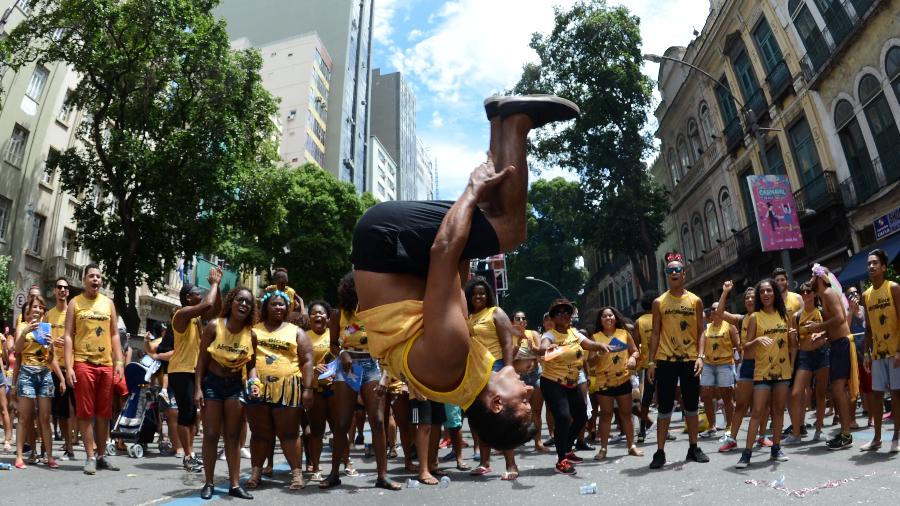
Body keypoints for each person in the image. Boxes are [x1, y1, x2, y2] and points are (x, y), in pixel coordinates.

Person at [351, 95, 578, 452]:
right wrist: (478, 204)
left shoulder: (450, 362)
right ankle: (501, 121)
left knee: (511, 231)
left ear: (496, 404)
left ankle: (516, 120)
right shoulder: (464, 377)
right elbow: (456, 273)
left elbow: (443, 254)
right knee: (494, 219)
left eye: (524, 403)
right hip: (397, 256)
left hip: (386, 243)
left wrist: (472, 189)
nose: (530, 391)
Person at [322, 273, 400, 490]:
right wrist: (342, 354)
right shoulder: (338, 315)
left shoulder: (377, 313)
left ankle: (382, 476)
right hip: (347, 368)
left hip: (372, 366)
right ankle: (334, 473)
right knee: (342, 423)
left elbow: (388, 346)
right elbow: (333, 345)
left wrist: (386, 376)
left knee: (377, 420)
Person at [244, 290, 314, 490]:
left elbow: (308, 360)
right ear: (266, 307)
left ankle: (297, 474)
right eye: (274, 304)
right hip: (256, 388)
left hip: (288, 388)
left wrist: (308, 389)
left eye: (282, 304)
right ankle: (256, 472)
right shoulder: (253, 330)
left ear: (287, 308)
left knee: (290, 434)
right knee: (259, 433)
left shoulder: (296, 331)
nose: (278, 307)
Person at [195, 286, 258, 500]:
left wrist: (254, 382)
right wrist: (197, 389)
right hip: (212, 384)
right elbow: (202, 360)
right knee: (211, 435)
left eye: (248, 302)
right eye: (240, 300)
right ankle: (209, 482)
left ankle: (234, 484)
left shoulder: (252, 335)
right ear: (231, 302)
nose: (243, 304)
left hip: (235, 386)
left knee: (233, 437)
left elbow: (251, 366)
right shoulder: (214, 326)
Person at [647, 253, 709, 469]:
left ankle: (693, 448)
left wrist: (701, 356)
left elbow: (702, 331)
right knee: (664, 407)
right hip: (666, 360)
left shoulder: (695, 301)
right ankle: (660, 451)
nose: (673, 273)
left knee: (692, 405)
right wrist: (651, 362)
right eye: (669, 270)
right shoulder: (659, 302)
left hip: (690, 359)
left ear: (684, 273)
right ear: (666, 275)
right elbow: (655, 333)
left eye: (677, 270)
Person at [539, 298, 612, 475]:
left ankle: (567, 448)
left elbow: (589, 344)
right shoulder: (549, 335)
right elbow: (543, 347)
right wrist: (546, 348)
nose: (564, 315)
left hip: (571, 382)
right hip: (553, 382)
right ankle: (561, 460)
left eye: (567, 312)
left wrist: (601, 346)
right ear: (553, 317)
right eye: (559, 312)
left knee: (581, 416)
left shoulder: (574, 334)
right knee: (563, 418)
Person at [64, 264, 125, 474]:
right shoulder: (74, 303)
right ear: (84, 280)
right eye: (91, 276)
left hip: (106, 365)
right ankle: (90, 456)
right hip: (83, 363)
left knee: (103, 413)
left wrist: (119, 362)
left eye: (99, 276)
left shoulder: (108, 304)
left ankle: (101, 455)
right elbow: (68, 335)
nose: (96, 280)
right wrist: (70, 365)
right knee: (85, 412)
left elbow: (115, 334)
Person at [464, 276, 520, 480]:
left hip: (495, 368)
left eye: (482, 293)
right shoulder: (467, 316)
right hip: (474, 372)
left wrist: (508, 369)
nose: (478, 296)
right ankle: (484, 463)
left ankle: (511, 465)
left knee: (502, 417)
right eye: (474, 293)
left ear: (488, 295)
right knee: (480, 418)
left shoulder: (495, 312)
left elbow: (507, 343)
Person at [734, 279, 794, 468]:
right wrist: (757, 340)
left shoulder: (785, 316)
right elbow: (746, 349)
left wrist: (793, 338)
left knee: (778, 411)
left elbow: (792, 344)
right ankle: (747, 453)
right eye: (762, 292)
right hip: (761, 371)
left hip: (782, 370)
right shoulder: (755, 317)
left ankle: (776, 448)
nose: (766, 294)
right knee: (757, 412)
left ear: (775, 293)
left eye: (769, 291)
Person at [171, 268, 222, 472]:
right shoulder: (181, 314)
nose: (200, 295)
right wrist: (214, 285)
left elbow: (215, 309)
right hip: (180, 371)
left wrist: (216, 288)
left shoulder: (197, 318)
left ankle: (190, 453)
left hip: (194, 370)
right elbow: (208, 304)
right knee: (186, 414)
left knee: (193, 415)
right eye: (196, 293)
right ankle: (188, 455)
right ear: (187, 297)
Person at [715, 283, 772, 451]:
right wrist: (725, 292)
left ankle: (762, 436)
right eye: (746, 298)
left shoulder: (766, 316)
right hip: (747, 366)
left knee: (763, 405)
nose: (749, 300)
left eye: (752, 298)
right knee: (741, 404)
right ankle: (732, 439)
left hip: (763, 365)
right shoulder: (740, 319)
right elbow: (719, 312)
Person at [13, 295, 64, 469]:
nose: (38, 310)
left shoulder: (45, 328)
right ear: (29, 309)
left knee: (45, 417)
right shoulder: (21, 326)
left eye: (41, 307)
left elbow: (50, 359)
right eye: (35, 307)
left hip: (44, 374)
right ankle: (19, 456)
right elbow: (17, 350)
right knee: (25, 417)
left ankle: (49, 456)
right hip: (27, 373)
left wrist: (50, 347)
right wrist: (26, 332)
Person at [810, 264, 856, 450]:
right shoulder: (823, 296)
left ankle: (846, 434)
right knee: (837, 390)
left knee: (838, 389)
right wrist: (821, 335)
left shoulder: (828, 293)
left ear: (820, 278)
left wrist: (818, 327)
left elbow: (840, 319)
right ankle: (845, 432)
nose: (811, 280)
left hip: (843, 344)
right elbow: (835, 325)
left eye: (813, 276)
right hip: (837, 343)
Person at [861, 249, 900, 452]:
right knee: (876, 395)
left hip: (895, 351)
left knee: (896, 394)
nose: (871, 267)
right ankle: (877, 438)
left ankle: (896, 437)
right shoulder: (866, 295)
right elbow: (867, 328)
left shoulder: (893, 288)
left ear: (884, 267)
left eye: (875, 263)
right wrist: (866, 353)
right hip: (877, 353)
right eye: (868, 264)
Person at [591, 306, 642, 459]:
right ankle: (603, 448)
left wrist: (633, 358)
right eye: (604, 316)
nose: (608, 318)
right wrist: (599, 353)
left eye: (610, 315)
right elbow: (590, 361)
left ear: (615, 317)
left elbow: (635, 351)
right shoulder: (595, 338)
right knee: (606, 415)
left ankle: (631, 445)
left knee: (626, 414)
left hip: (623, 379)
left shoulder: (624, 333)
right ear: (600, 320)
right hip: (603, 382)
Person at [303, 300, 345, 481]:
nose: (318, 316)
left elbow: (345, 359)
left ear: (328, 318)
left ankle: (346, 462)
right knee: (316, 431)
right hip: (315, 390)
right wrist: (313, 371)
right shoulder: (303, 337)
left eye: (321, 313)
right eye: (314, 313)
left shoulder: (335, 336)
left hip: (335, 389)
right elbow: (298, 364)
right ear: (309, 317)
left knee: (339, 429)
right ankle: (316, 467)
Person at [784, 281, 830, 444]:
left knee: (820, 393)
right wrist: (791, 364)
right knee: (796, 393)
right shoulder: (796, 317)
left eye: (809, 292)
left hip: (822, 353)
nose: (805, 295)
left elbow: (831, 329)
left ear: (814, 294)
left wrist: (822, 333)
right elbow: (794, 344)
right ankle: (796, 433)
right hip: (804, 356)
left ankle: (819, 429)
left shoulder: (822, 312)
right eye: (802, 293)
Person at [46, 277, 76, 460]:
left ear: (68, 292)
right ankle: (69, 447)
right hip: (55, 369)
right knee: (62, 412)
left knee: (80, 409)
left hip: (72, 366)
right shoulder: (48, 315)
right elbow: (45, 342)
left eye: (65, 288)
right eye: (59, 287)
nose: (62, 290)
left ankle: (93, 446)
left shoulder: (72, 314)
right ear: (55, 290)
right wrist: (52, 343)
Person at [699, 302, 739, 437]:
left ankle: (729, 426)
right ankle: (711, 426)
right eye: (712, 309)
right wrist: (700, 357)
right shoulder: (707, 328)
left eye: (717, 308)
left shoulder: (730, 326)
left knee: (727, 397)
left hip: (725, 364)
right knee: (705, 395)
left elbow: (738, 345)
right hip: (708, 365)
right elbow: (701, 344)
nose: (714, 310)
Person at [511, 310, 548, 452]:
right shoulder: (508, 336)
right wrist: (519, 344)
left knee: (536, 412)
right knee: (517, 412)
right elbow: (508, 357)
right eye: (517, 318)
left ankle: (538, 442)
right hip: (518, 378)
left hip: (534, 375)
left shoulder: (533, 334)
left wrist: (533, 347)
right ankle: (515, 441)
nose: (520, 320)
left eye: (523, 318)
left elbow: (541, 352)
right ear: (512, 322)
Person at [634, 291, 659, 444]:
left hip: (646, 365)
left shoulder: (639, 322)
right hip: (664, 362)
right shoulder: (662, 318)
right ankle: (664, 430)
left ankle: (642, 431)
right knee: (664, 398)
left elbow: (635, 346)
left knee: (646, 400)